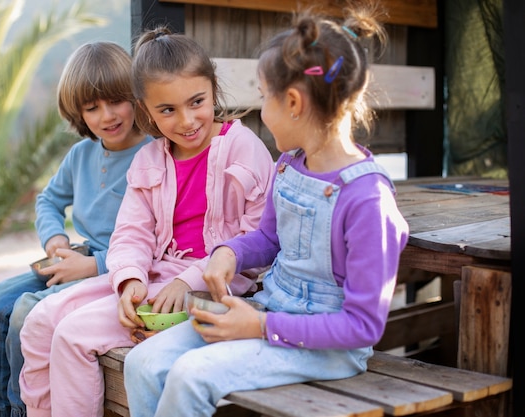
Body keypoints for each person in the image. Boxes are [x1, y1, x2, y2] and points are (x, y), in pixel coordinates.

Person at [123, 5, 411, 417]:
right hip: (270, 310)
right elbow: (269, 239)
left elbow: (363, 326)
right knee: (142, 362)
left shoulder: (368, 200)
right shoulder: (289, 165)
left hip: (327, 348)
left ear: (293, 102)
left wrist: (259, 327)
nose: (260, 111)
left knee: (189, 376)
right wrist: (230, 252)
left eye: (263, 99)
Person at [17, 26, 275, 417]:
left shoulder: (243, 148)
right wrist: (129, 279)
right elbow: (131, 234)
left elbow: (256, 241)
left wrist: (184, 281)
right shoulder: (150, 159)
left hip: (213, 287)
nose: (187, 121)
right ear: (146, 110)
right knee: (38, 321)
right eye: (167, 110)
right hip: (154, 275)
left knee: (71, 336)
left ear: (213, 90)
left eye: (196, 102)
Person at [0, 41, 153, 417]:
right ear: (78, 112)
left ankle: (22, 409)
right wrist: (56, 240)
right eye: (92, 107)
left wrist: (92, 266)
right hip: (78, 256)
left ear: (136, 97)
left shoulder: (153, 155)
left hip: (119, 270)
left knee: (24, 312)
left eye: (116, 100)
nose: (107, 115)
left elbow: (156, 239)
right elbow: (48, 201)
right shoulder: (81, 155)